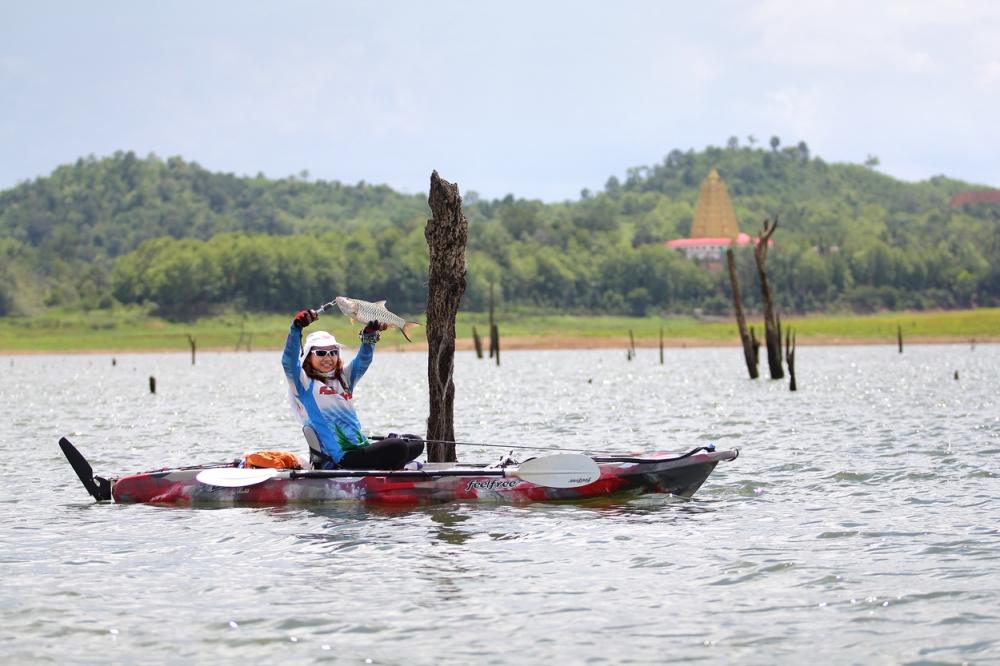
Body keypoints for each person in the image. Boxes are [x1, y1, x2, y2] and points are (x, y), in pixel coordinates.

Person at [282, 308, 424, 470]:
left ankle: (391, 464)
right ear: (309, 355)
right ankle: (394, 468)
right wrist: (296, 327)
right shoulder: (302, 383)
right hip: (340, 458)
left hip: (359, 449)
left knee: (416, 441)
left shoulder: (344, 378)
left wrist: (369, 335)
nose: (328, 357)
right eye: (321, 353)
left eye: (333, 352)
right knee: (397, 446)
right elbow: (289, 361)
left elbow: (363, 360)